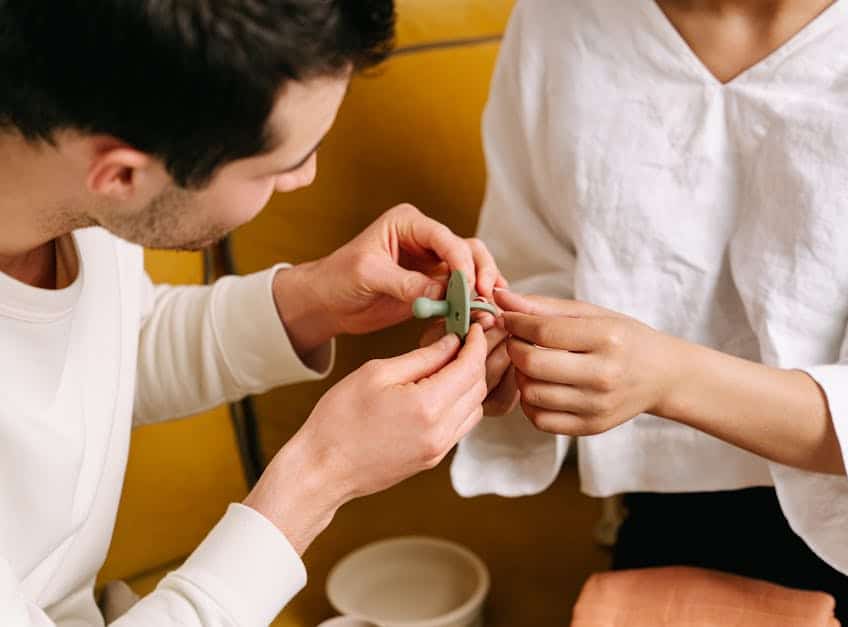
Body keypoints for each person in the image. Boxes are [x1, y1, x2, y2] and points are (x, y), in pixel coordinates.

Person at [0, 2, 502, 625]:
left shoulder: (67, 179)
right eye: (282, 164)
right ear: (122, 175)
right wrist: (323, 475)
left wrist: (312, 301)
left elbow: (102, 355)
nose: (305, 178)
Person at [449, 0, 848, 624]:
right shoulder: (560, 21)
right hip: (664, 497)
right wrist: (505, 346)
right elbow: (533, 259)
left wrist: (668, 379)